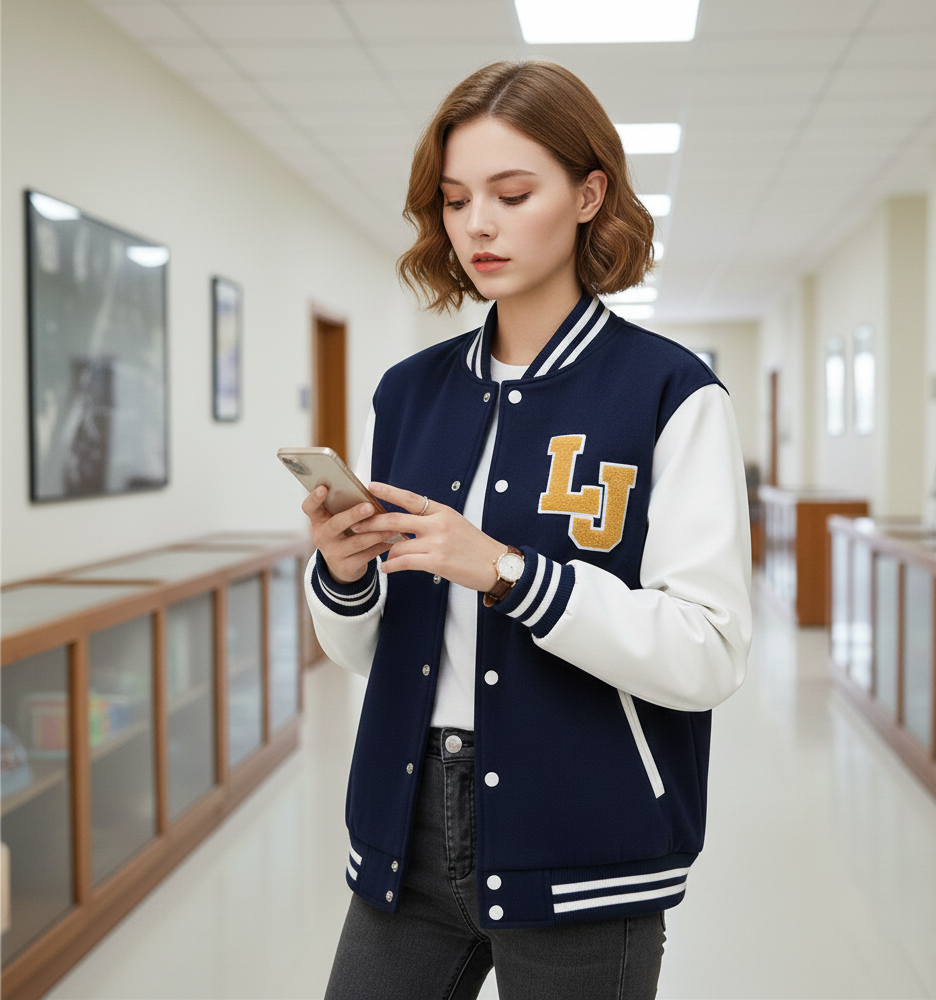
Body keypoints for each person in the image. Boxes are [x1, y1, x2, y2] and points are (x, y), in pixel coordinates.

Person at [302, 60, 752, 1000]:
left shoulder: (672, 393)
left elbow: (707, 653)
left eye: (513, 193)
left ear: (590, 195)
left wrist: (512, 573)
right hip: (406, 819)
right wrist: (347, 579)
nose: (478, 225)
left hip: (586, 831)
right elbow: (374, 655)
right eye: (456, 199)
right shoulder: (409, 392)